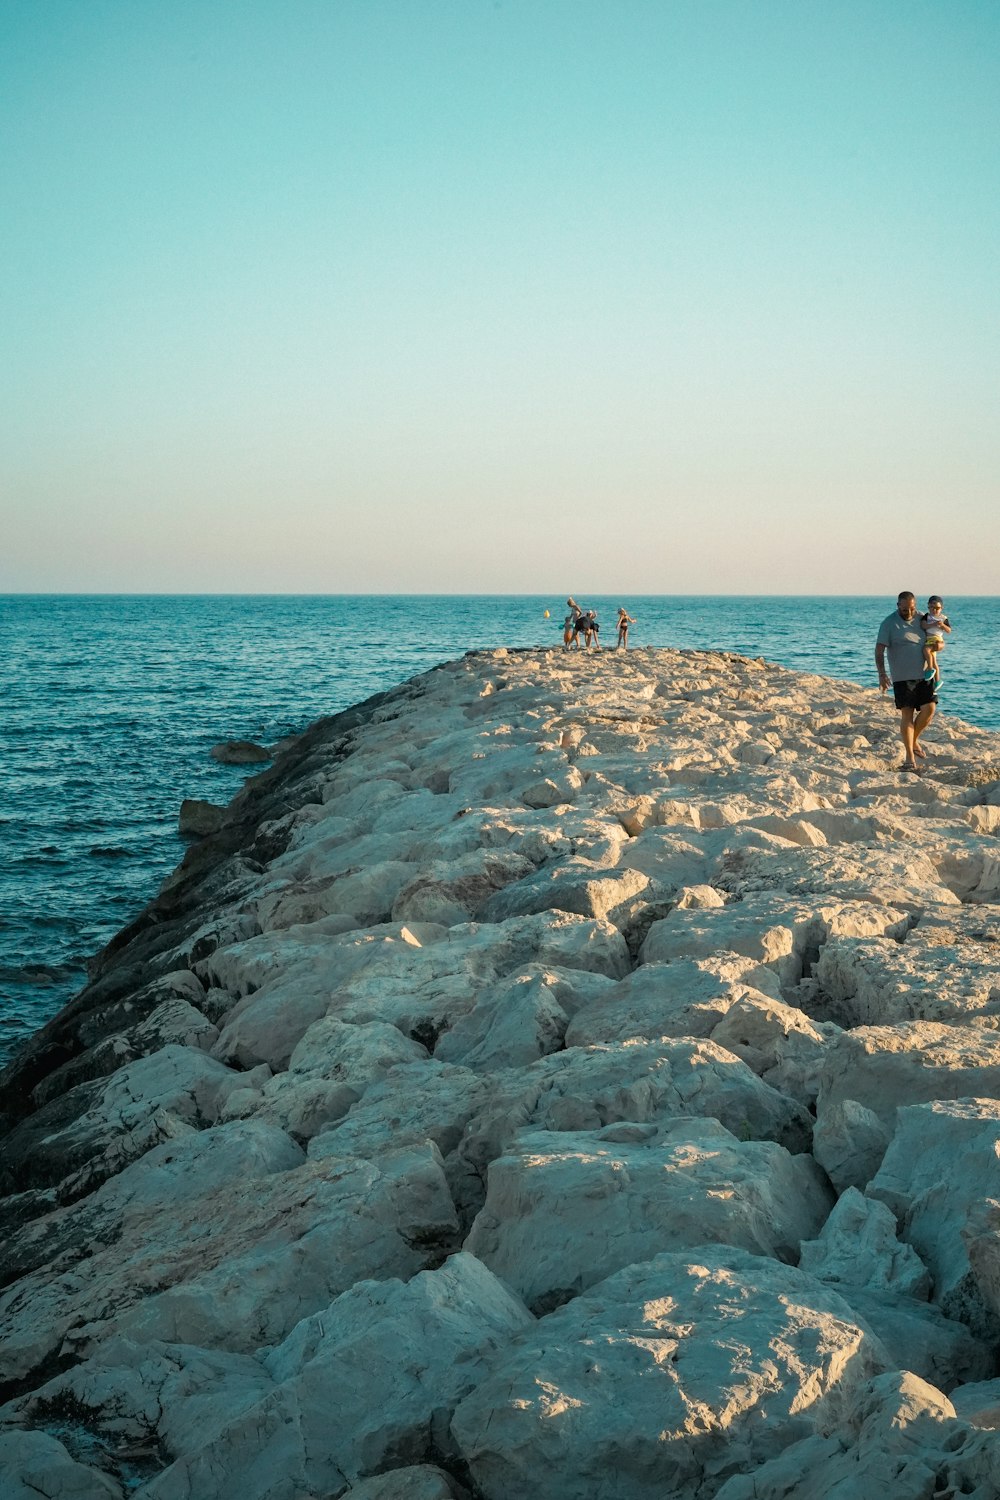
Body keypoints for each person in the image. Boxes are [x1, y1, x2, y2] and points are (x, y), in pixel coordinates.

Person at [876, 591, 936, 772]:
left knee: (930, 709)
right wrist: (882, 674)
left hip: (925, 675)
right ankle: (910, 758)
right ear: (897, 606)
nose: (908, 613)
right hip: (902, 677)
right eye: (904, 610)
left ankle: (913, 741)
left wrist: (938, 647)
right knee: (907, 715)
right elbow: (879, 651)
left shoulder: (923, 619)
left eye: (911, 609)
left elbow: (938, 640)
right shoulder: (888, 624)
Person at [920, 595, 952, 685]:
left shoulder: (943, 618)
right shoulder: (927, 616)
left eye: (937, 608)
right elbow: (923, 625)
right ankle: (938, 680)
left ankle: (930, 669)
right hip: (928, 638)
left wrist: (942, 626)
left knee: (926, 649)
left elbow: (949, 630)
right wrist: (933, 624)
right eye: (932, 608)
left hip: (937, 639)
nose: (934, 610)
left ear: (941, 608)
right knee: (933, 660)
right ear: (928, 607)